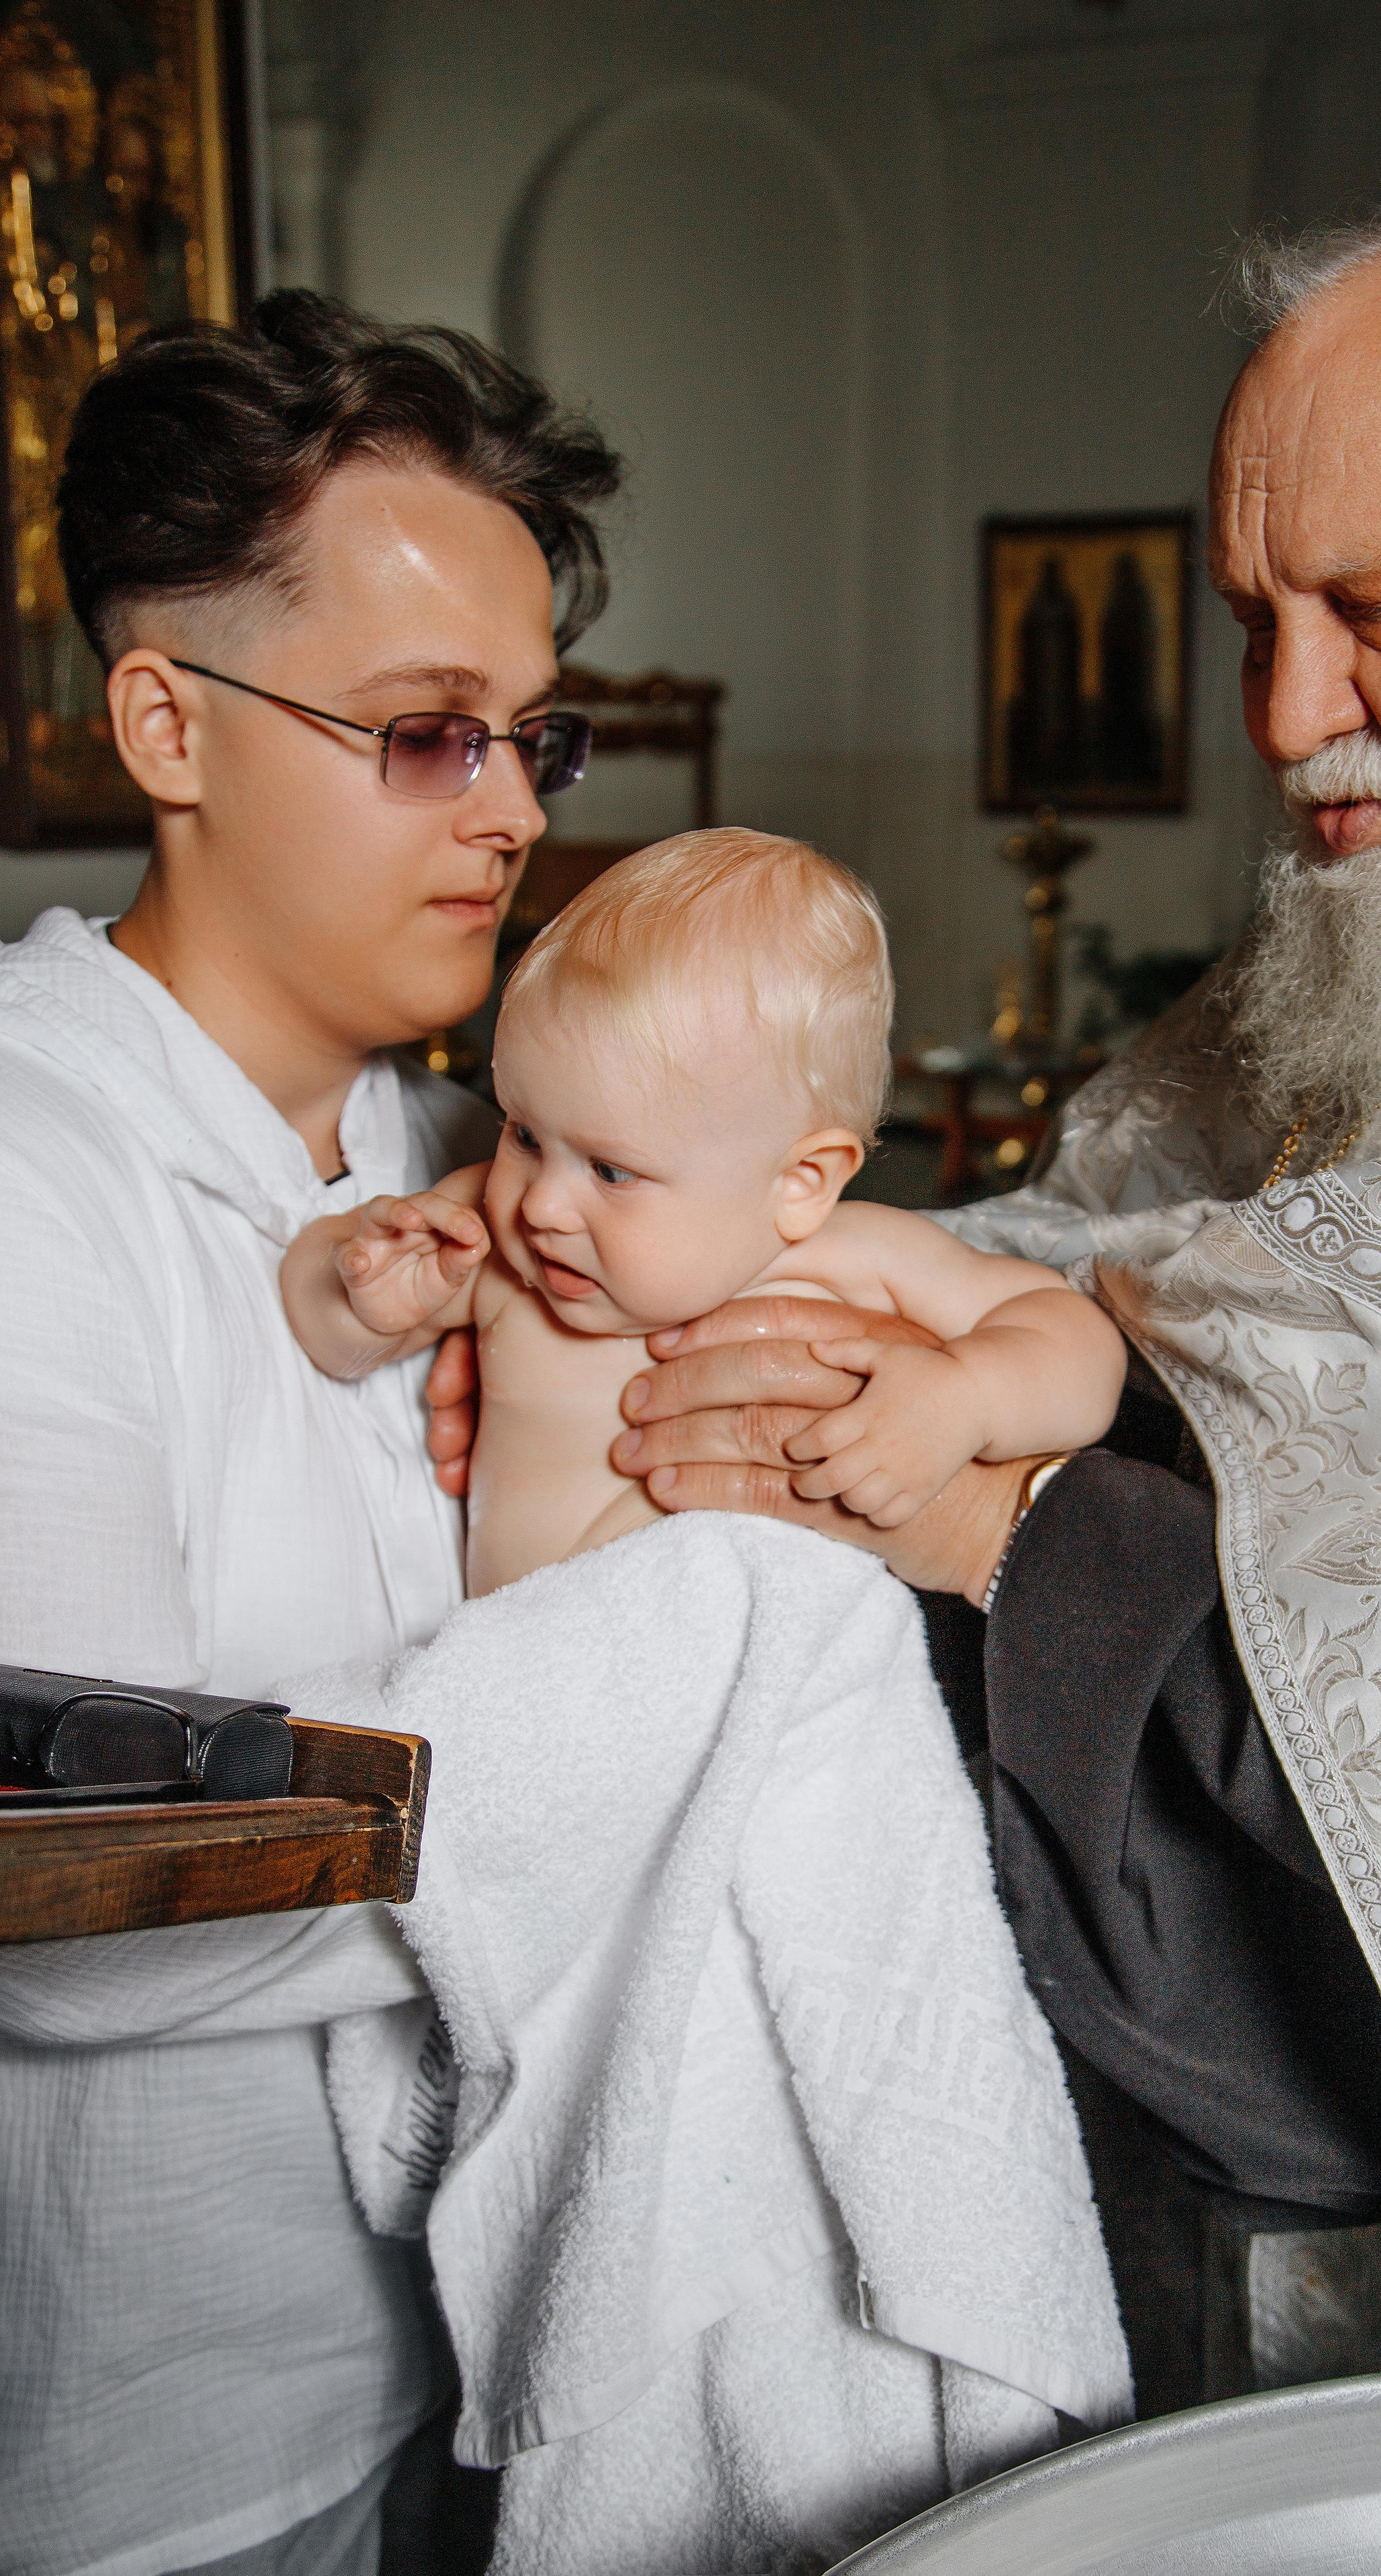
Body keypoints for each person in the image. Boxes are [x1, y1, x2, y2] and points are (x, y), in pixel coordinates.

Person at [566, 172, 1381, 2387]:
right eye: (1251, 618)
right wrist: (739, 1295)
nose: (1291, 720)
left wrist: (990, 1517)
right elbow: (1130, 1247)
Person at [0, 291, 621, 2576]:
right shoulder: (24, 1165)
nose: (520, 811)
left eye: (535, 737)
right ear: (164, 719)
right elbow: (91, 1908)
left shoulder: (485, 1138)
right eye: (427, 735)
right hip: (139, 2451)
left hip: (474, 2350)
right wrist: (646, 1741)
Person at [283, 828, 1126, 1589]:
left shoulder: (852, 1258)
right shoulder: (489, 1245)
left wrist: (967, 1396)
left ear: (798, 1183)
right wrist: (364, 1292)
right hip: (540, 1690)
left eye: (611, 1171)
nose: (542, 1204)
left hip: (762, 1696)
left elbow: (1079, 1344)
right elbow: (327, 1335)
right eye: (524, 1134)